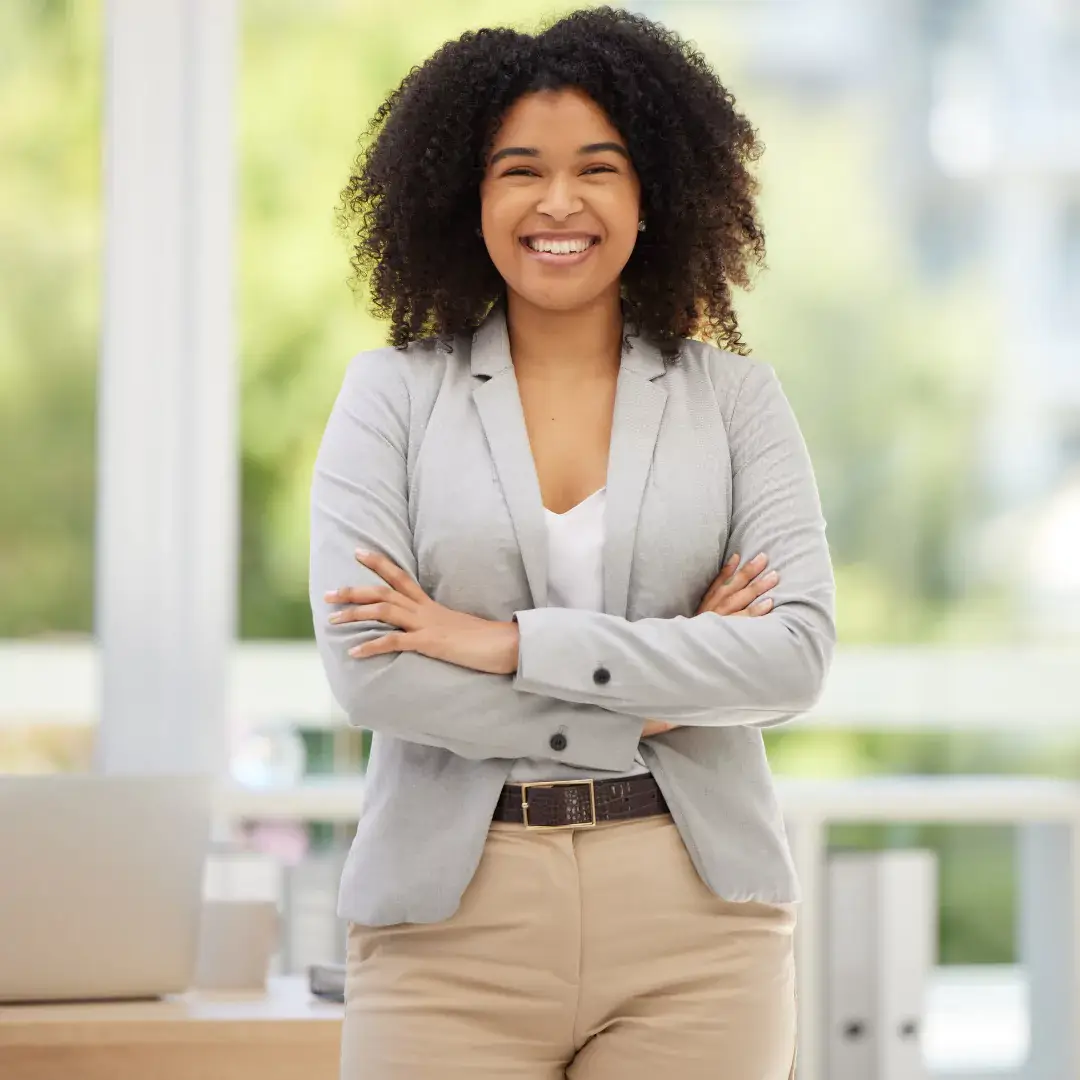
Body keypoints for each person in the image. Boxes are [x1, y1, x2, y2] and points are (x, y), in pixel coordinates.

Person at [309, 8, 835, 1079]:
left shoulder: (736, 400)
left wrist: (503, 643)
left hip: (696, 924)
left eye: (599, 167)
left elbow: (793, 654)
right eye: (519, 171)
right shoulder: (391, 397)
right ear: (470, 196)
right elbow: (373, 678)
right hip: (448, 930)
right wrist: (656, 694)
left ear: (654, 196)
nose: (559, 202)